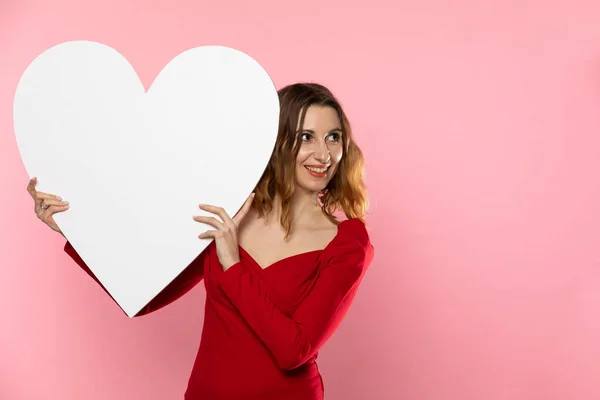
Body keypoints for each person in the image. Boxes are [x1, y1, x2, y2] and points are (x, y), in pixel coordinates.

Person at [27, 82, 375, 399]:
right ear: (276, 142)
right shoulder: (230, 215)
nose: (323, 154)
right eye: (305, 137)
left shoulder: (347, 243)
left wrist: (233, 266)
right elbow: (145, 296)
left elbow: (294, 350)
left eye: (333, 137)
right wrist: (75, 230)